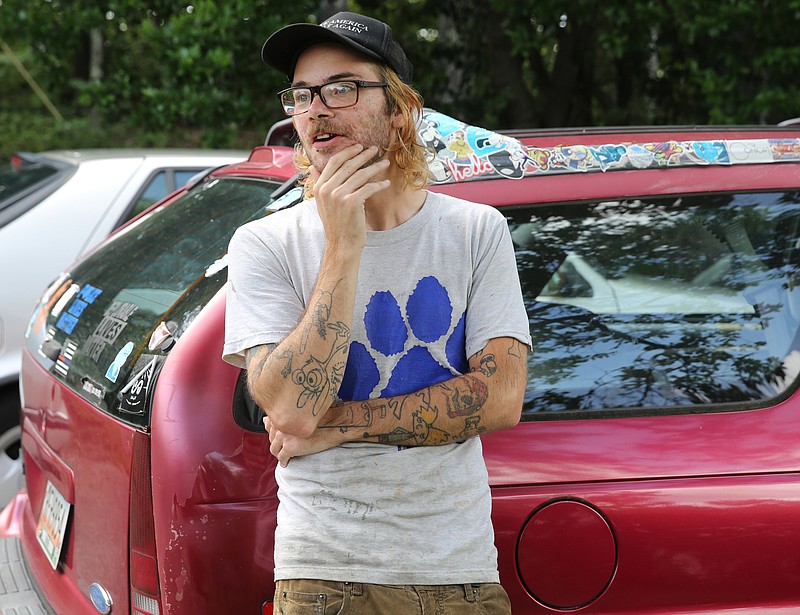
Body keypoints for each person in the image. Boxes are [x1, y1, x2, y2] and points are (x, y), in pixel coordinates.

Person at [223, 11, 531, 614]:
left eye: (342, 88)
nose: (315, 109)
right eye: (303, 95)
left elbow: (500, 398)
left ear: (399, 110)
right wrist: (342, 246)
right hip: (325, 574)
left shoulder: (475, 232)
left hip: (457, 569)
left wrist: (344, 424)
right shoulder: (262, 244)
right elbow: (290, 408)